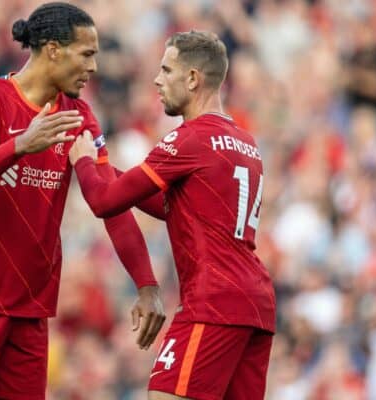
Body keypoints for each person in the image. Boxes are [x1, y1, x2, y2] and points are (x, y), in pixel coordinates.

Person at [0, 3, 165, 399]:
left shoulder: (79, 117)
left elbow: (109, 199)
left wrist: (147, 284)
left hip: (31, 306)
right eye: (87, 54)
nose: (94, 67)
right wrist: (19, 146)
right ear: (53, 49)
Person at [69, 31, 276, 400]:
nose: (156, 80)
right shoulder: (246, 142)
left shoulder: (188, 140)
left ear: (193, 78)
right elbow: (176, 209)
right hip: (256, 306)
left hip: (213, 302)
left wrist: (83, 161)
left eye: (166, 70)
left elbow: (104, 202)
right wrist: (105, 167)